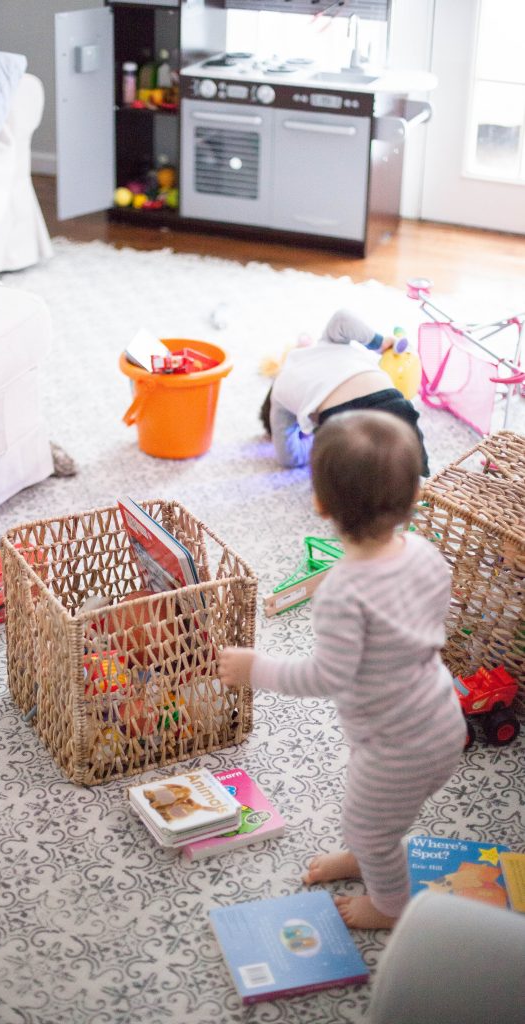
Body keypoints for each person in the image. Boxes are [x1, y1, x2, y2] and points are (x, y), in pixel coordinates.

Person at [219, 411, 465, 930]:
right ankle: (370, 854)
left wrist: (253, 668)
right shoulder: (426, 553)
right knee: (376, 820)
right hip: (439, 717)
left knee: (371, 825)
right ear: (413, 499)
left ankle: (388, 905)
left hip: (398, 744)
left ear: (320, 504)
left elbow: (325, 677)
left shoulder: (341, 594)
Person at [260, 308, 430, 475]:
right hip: (387, 395)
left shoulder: (280, 394)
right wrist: (380, 342)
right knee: (412, 453)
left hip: (340, 418)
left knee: (354, 477)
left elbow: (289, 456)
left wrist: (312, 438)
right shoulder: (327, 343)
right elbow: (343, 317)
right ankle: (418, 487)